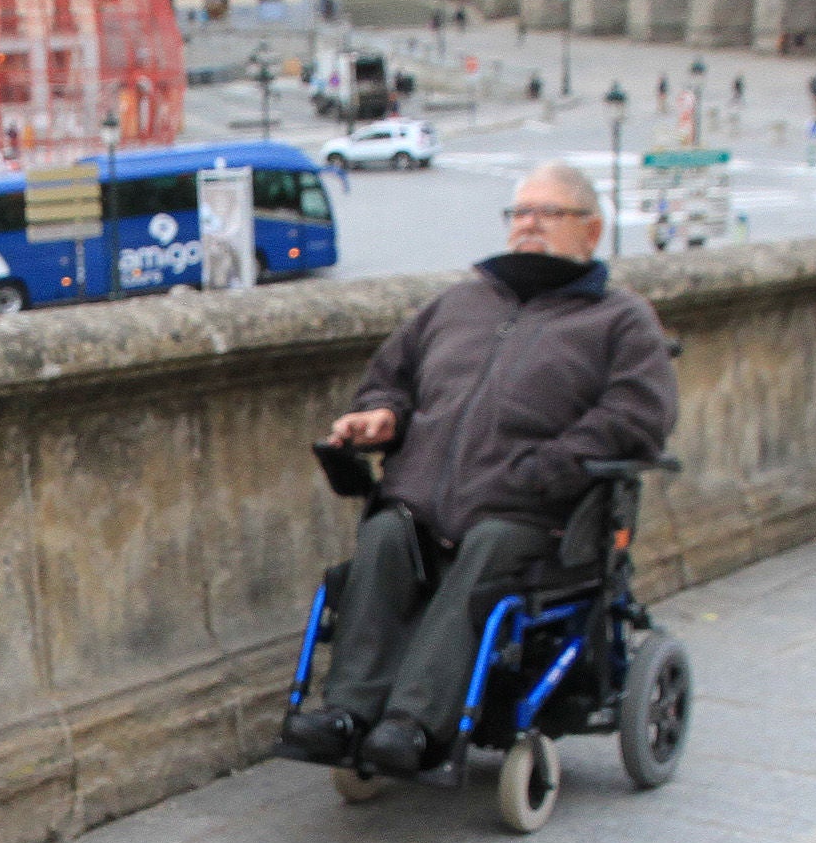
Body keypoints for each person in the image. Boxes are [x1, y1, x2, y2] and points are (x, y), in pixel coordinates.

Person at [279, 164, 678, 778]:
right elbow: (392, 377)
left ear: (591, 230)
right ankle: (347, 714)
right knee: (383, 539)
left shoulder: (620, 320)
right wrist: (380, 413)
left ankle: (413, 724)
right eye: (520, 213)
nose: (528, 225)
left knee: (487, 552)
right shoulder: (459, 303)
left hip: (533, 510)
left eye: (548, 213)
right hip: (424, 500)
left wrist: (549, 466)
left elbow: (637, 415)